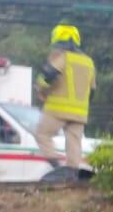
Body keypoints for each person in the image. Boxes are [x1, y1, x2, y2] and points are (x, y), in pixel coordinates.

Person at [33, 24, 96, 171]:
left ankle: (56, 167)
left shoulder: (63, 57)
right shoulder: (89, 62)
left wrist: (40, 88)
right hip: (80, 112)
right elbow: (92, 90)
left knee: (42, 135)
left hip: (57, 109)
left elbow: (49, 75)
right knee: (74, 143)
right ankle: (71, 173)